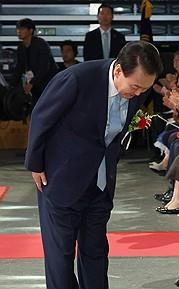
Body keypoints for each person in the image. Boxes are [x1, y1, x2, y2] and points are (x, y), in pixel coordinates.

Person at [25, 41, 163, 289]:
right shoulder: (77, 79)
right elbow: (41, 117)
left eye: (145, 89)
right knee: (60, 258)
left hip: (100, 183)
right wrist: (35, 164)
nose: (139, 94)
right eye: (135, 87)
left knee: (96, 251)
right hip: (61, 179)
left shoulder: (135, 90)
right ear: (119, 70)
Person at [11, 18, 58, 106]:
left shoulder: (41, 44)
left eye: (22, 29)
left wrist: (31, 83)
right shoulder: (21, 47)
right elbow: (19, 67)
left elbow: (44, 67)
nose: (18, 31)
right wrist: (11, 85)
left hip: (48, 81)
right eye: (17, 29)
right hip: (35, 81)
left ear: (30, 30)